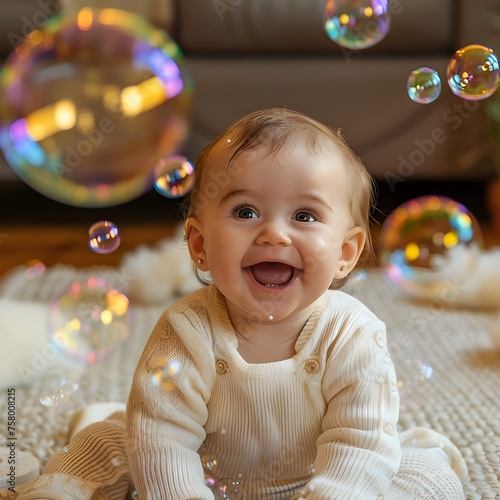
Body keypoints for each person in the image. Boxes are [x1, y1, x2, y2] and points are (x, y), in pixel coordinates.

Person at [17, 108, 468, 499]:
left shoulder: (351, 333)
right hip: (203, 471)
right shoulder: (187, 329)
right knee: (114, 442)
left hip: (319, 476)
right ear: (199, 245)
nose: (274, 233)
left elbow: (360, 441)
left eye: (305, 216)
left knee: (424, 472)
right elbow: (164, 440)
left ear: (345, 254)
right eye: (245, 212)